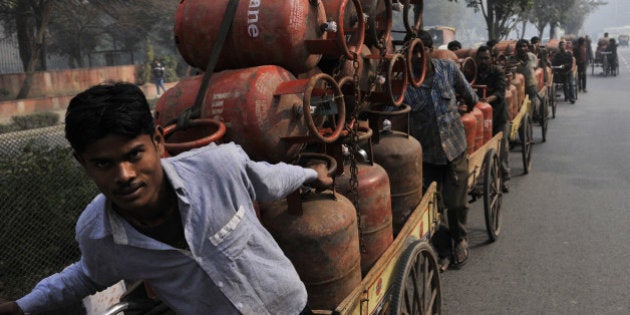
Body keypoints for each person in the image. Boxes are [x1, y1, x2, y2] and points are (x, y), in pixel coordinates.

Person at [0, 82, 333, 315]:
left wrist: (311, 174)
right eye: (104, 163)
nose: (124, 175)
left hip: (289, 308)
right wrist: (23, 305)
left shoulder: (219, 168)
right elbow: (88, 275)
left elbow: (271, 181)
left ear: (157, 141)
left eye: (134, 154)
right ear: (82, 164)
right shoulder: (98, 233)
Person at [404, 30, 479, 271]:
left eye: (418, 50)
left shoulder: (448, 70)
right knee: (432, 208)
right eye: (409, 52)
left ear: (428, 50)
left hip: (454, 149)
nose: (414, 57)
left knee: (455, 203)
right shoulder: (404, 83)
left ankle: (460, 239)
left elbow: (471, 97)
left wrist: (467, 106)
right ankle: (443, 247)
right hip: (426, 156)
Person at [474, 46, 511, 193]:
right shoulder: (473, 72)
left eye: (486, 58)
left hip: (498, 116)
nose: (483, 61)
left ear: (491, 59)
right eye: (481, 58)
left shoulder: (497, 72)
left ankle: (505, 177)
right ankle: (478, 178)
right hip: (480, 117)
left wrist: (486, 100)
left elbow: (500, 91)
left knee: (502, 149)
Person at [514, 39, 542, 117]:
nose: (522, 48)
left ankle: (530, 115)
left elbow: (535, 67)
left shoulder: (532, 57)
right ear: (516, 49)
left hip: (531, 85)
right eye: (519, 46)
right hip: (518, 87)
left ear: (528, 48)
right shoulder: (512, 59)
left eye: (524, 46)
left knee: (532, 99)